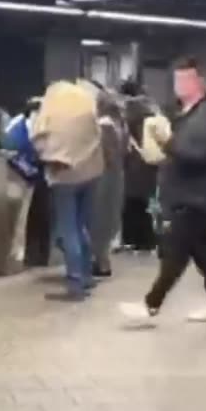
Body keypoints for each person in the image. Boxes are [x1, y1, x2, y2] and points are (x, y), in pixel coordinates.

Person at [121, 57, 206, 328]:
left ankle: (150, 305)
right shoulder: (186, 114)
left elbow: (200, 155)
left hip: (196, 195)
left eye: (186, 78)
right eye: (177, 79)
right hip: (184, 194)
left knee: (175, 253)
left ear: (201, 82)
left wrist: (167, 142)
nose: (180, 85)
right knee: (204, 252)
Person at [31, 80, 105, 301]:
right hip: (91, 173)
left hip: (65, 176)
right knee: (81, 226)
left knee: (68, 230)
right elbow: (97, 137)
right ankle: (85, 276)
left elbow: (39, 138)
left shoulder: (52, 111)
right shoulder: (87, 107)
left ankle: (75, 284)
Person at [89, 91, 126, 277]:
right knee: (109, 219)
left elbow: (107, 154)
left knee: (99, 218)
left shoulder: (103, 125)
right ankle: (103, 261)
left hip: (104, 176)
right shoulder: (120, 125)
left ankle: (100, 262)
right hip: (117, 175)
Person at [121, 95, 160, 254]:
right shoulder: (153, 123)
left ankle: (133, 240)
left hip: (134, 168)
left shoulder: (129, 125)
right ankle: (148, 240)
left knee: (132, 206)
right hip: (149, 168)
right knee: (146, 207)